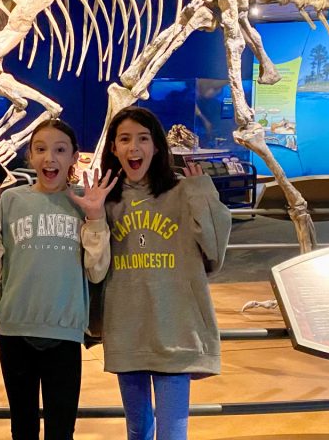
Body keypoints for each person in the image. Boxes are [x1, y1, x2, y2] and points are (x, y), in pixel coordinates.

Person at [0, 118, 117, 440]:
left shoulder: (84, 201)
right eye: (41, 149)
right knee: (22, 428)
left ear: (74, 157)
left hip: (64, 335)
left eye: (60, 150)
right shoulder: (11, 200)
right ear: (31, 157)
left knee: (61, 430)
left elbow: (97, 269)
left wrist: (94, 217)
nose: (50, 158)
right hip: (16, 331)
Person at [99, 106, 231, 440]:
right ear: (112, 147)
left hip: (175, 331)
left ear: (157, 146)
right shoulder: (105, 202)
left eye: (143, 139)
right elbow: (93, 265)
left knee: (172, 432)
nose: (134, 147)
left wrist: (202, 188)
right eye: (125, 139)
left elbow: (214, 253)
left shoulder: (185, 192)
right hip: (127, 330)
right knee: (137, 430)